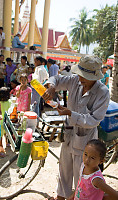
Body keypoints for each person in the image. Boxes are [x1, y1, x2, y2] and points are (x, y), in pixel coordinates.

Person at [43, 55, 110, 200]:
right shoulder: (75, 80)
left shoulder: (103, 92)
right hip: (69, 135)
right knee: (64, 173)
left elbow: (93, 120)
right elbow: (57, 79)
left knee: (81, 179)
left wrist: (70, 113)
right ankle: (61, 197)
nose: (80, 79)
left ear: (95, 77)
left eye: (84, 77)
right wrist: (52, 86)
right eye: (80, 75)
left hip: (86, 143)